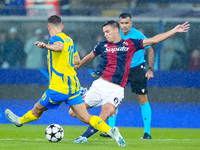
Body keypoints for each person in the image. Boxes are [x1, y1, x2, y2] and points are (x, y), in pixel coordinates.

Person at [5, 15, 125, 147]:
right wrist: (64, 63)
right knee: (86, 117)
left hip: (58, 87)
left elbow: (59, 47)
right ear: (62, 26)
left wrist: (46, 46)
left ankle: (19, 121)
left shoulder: (55, 39)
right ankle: (110, 130)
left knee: (37, 110)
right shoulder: (69, 40)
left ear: (49, 28)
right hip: (73, 86)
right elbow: (77, 61)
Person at [69, 20, 190, 143]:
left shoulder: (130, 44)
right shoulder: (102, 45)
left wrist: (174, 30)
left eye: (107, 31)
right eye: (104, 32)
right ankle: (85, 94)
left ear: (117, 31)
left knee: (104, 115)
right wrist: (77, 66)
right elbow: (90, 56)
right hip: (99, 85)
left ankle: (84, 137)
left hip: (115, 89)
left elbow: (154, 40)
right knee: (72, 112)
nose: (105, 34)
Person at [100, 13, 155, 139]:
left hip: (136, 69)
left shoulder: (138, 35)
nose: (124, 26)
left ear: (131, 23)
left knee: (142, 99)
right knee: (113, 99)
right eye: (122, 23)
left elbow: (150, 49)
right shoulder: (115, 34)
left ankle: (147, 133)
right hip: (120, 70)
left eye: (127, 23)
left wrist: (150, 69)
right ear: (119, 24)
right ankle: (110, 130)